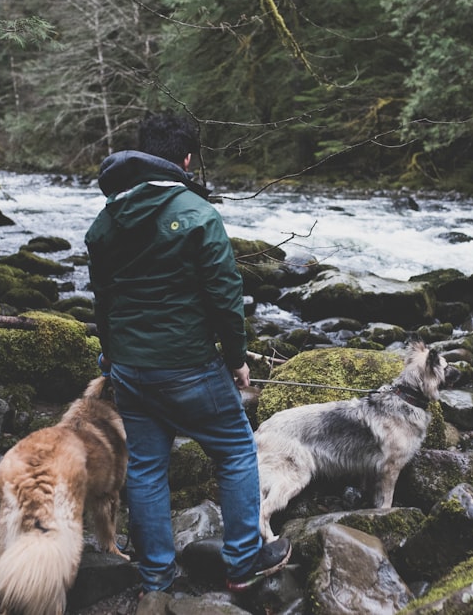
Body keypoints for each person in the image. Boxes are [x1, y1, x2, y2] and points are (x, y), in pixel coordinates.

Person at [85, 112, 291, 595]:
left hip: (131, 370)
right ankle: (242, 564)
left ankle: (155, 573)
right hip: (189, 368)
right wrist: (237, 359)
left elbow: (104, 301)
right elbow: (225, 297)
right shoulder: (199, 215)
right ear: (186, 159)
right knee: (237, 452)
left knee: (148, 466)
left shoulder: (104, 222)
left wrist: (111, 359)